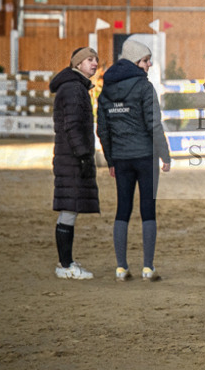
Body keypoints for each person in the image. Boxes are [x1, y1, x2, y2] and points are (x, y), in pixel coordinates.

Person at [97, 39, 171, 282]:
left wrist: (110, 160)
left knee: (123, 209)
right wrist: (165, 155)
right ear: (135, 62)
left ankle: (121, 268)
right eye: (145, 60)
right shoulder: (144, 87)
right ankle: (147, 268)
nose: (149, 65)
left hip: (121, 158)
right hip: (145, 157)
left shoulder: (106, 89)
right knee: (148, 210)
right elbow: (154, 125)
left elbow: (103, 129)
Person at [50, 46, 100, 280]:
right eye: (90, 59)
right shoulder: (73, 89)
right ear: (77, 64)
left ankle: (66, 261)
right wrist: (83, 156)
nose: (95, 63)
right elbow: (72, 126)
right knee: (69, 210)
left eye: (96, 60)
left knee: (70, 209)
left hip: (69, 157)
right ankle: (66, 264)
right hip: (71, 158)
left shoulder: (76, 87)